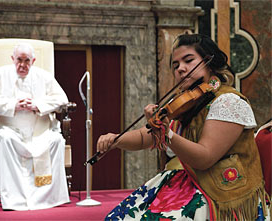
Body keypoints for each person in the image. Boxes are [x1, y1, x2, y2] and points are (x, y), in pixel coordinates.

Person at [97, 34, 271, 220]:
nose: (181, 68)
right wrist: (116, 140)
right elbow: (144, 137)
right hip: (180, 184)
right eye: (175, 65)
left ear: (209, 62)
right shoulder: (182, 103)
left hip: (218, 192)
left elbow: (204, 157)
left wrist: (168, 133)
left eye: (188, 60)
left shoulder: (229, 101)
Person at [0, 42, 70, 211]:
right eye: (19, 60)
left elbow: (62, 100)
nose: (22, 65)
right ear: (12, 59)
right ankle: (14, 199)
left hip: (39, 130)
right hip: (9, 128)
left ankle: (47, 198)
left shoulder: (44, 76)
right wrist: (13, 105)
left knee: (56, 139)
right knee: (5, 140)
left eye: (26, 60)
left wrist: (37, 105)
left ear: (33, 60)